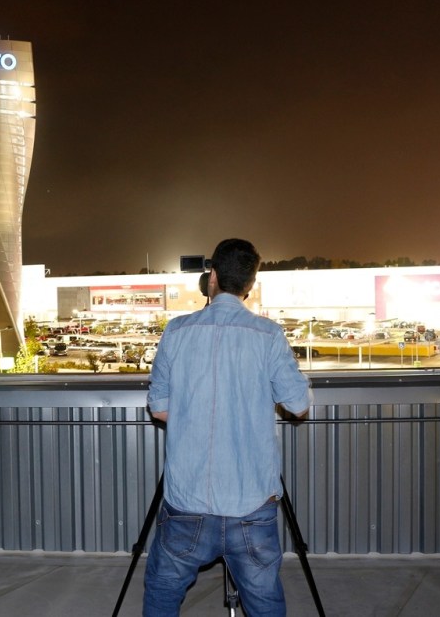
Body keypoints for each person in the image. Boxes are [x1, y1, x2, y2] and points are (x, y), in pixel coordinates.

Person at [143, 238, 312, 616]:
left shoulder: (177, 331)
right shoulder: (268, 335)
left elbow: (160, 409)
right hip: (251, 501)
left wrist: (195, 416)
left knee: (163, 592)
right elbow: (298, 406)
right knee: (264, 602)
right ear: (250, 286)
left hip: (187, 500)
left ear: (212, 276)